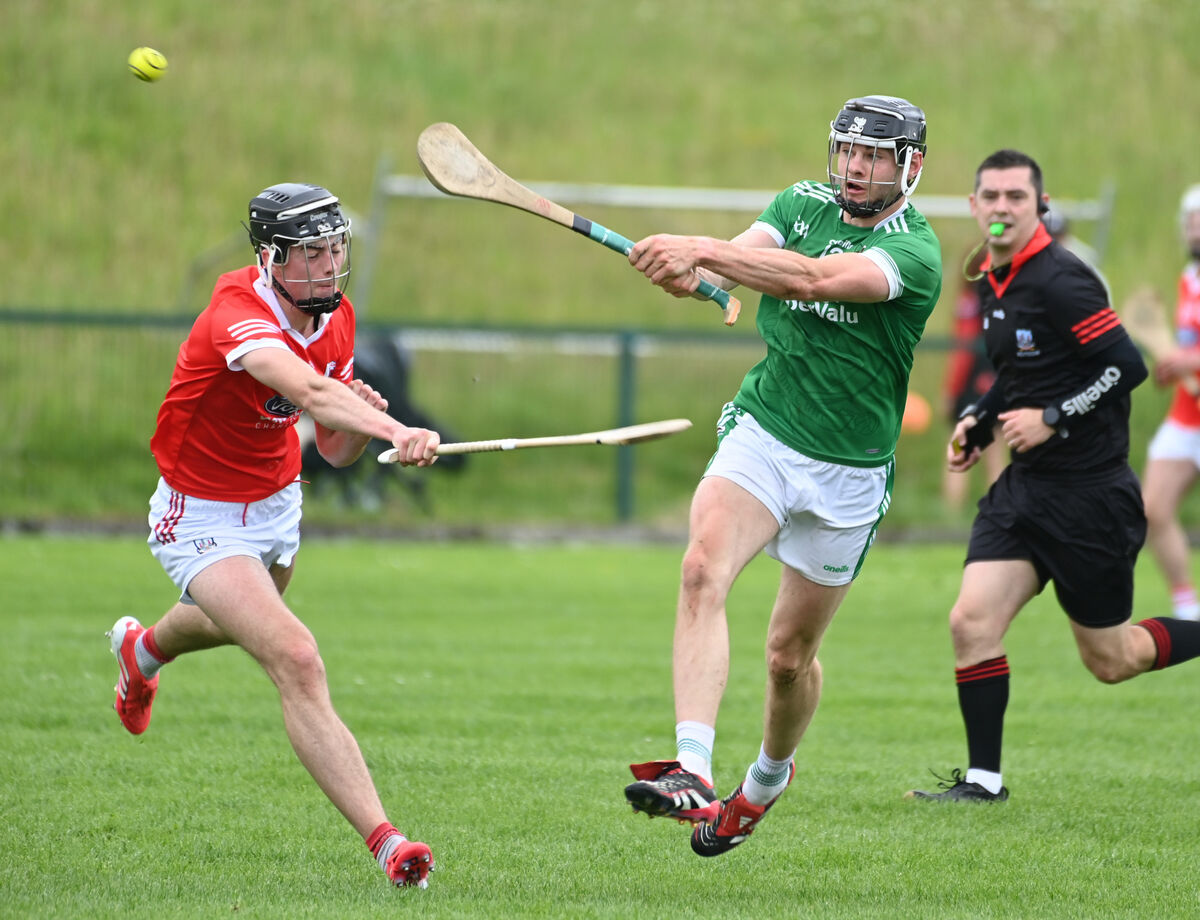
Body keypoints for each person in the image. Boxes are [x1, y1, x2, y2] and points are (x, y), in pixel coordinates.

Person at [622, 95, 942, 856]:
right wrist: (690, 271)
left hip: (849, 474)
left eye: (875, 158)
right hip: (766, 433)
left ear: (911, 168)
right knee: (703, 568)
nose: (856, 169)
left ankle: (766, 780)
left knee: (788, 658)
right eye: (849, 152)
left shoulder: (916, 252)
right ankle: (691, 770)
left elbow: (809, 280)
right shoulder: (800, 204)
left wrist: (700, 248)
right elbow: (745, 257)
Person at [106, 183, 438, 888]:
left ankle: (142, 651)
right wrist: (396, 426)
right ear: (270, 257)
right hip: (200, 513)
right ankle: (389, 843)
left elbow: (336, 446)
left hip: (279, 503)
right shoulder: (238, 316)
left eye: (336, 248)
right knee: (295, 655)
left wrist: (362, 424)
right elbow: (312, 393)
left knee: (232, 623)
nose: (328, 265)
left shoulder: (337, 318)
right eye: (311, 253)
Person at [908, 151, 1200, 804]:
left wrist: (1053, 416)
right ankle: (984, 782)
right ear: (973, 206)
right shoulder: (990, 276)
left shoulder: (1064, 280)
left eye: (1018, 196)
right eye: (992, 196)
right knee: (970, 622)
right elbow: (1017, 376)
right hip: (1024, 493)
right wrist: (980, 423)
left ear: (1039, 205)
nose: (1004, 207)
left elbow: (1124, 365)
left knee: (1112, 660)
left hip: (1090, 499)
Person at [1140, 184, 1200, 621]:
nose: (1193, 229)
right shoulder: (1189, 278)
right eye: (1189, 221)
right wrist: (1173, 366)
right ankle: (1187, 605)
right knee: (1153, 508)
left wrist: (1185, 359)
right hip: (1187, 416)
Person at [941, 246, 1005, 512]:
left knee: (958, 447)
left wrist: (950, 391)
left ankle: (950, 512)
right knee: (996, 453)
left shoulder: (970, 302)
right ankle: (1001, 511)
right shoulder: (1008, 298)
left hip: (971, 388)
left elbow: (963, 351)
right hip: (999, 384)